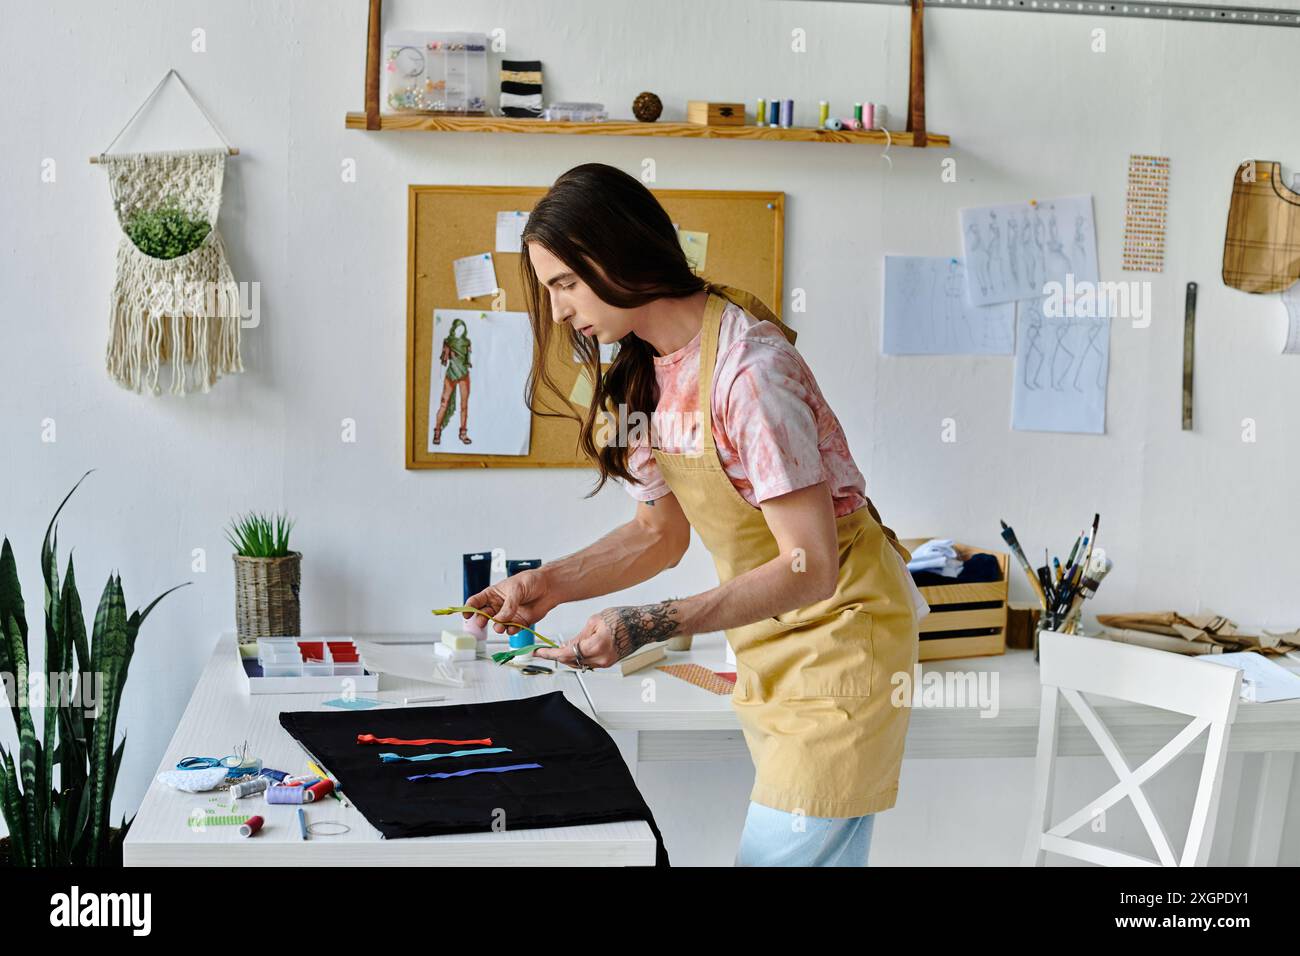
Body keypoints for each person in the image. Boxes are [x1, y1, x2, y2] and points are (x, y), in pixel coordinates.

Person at [463, 163, 926, 866]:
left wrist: (648, 623)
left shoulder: (750, 373)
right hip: (772, 648)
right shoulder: (649, 372)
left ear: (614, 254)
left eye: (564, 284)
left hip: (841, 645)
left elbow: (811, 566)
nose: (558, 312)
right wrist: (549, 584)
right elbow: (660, 533)